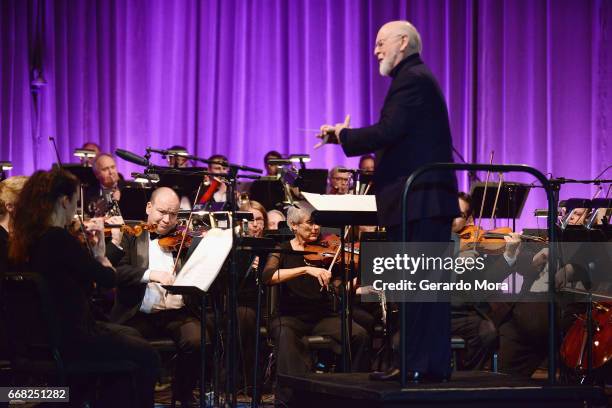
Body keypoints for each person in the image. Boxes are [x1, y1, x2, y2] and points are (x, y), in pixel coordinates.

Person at [319, 20, 458, 382]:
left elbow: (389, 131)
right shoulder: (417, 78)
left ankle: (415, 366)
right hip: (423, 200)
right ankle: (429, 366)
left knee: (417, 288)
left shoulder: (411, 79)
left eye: (381, 43)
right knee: (424, 289)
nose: (376, 50)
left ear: (402, 42)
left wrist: (343, 136)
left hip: (420, 201)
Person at [8, 168, 159, 407]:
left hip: (37, 339)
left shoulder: (27, 239)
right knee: (147, 355)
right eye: (75, 203)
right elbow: (107, 280)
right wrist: (100, 253)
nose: (75, 211)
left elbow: (80, 282)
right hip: (72, 339)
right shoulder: (59, 239)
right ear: (64, 201)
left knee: (130, 336)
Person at [263, 203, 370, 405]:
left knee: (359, 335)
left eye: (317, 224)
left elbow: (338, 286)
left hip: (322, 315)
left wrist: (355, 284)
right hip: (290, 317)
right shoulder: (282, 250)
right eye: (310, 224)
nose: (316, 229)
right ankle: (291, 399)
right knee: (284, 335)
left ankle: (344, 393)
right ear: (293, 225)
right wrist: (305, 269)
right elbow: (268, 276)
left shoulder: (327, 250)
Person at [107, 186, 205, 406]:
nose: (167, 219)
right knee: (135, 347)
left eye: (174, 214)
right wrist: (151, 274)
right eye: (162, 212)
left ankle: (182, 394)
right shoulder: (130, 234)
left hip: (177, 313)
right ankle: (142, 400)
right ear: (149, 207)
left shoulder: (184, 238)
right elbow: (117, 272)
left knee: (198, 340)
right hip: (138, 313)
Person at [236, 200, 268, 391]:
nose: (255, 224)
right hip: (239, 303)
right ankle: (243, 379)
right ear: (241, 222)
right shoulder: (235, 247)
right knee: (244, 316)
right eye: (250, 220)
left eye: (260, 220)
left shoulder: (271, 247)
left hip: (265, 304)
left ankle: (256, 380)